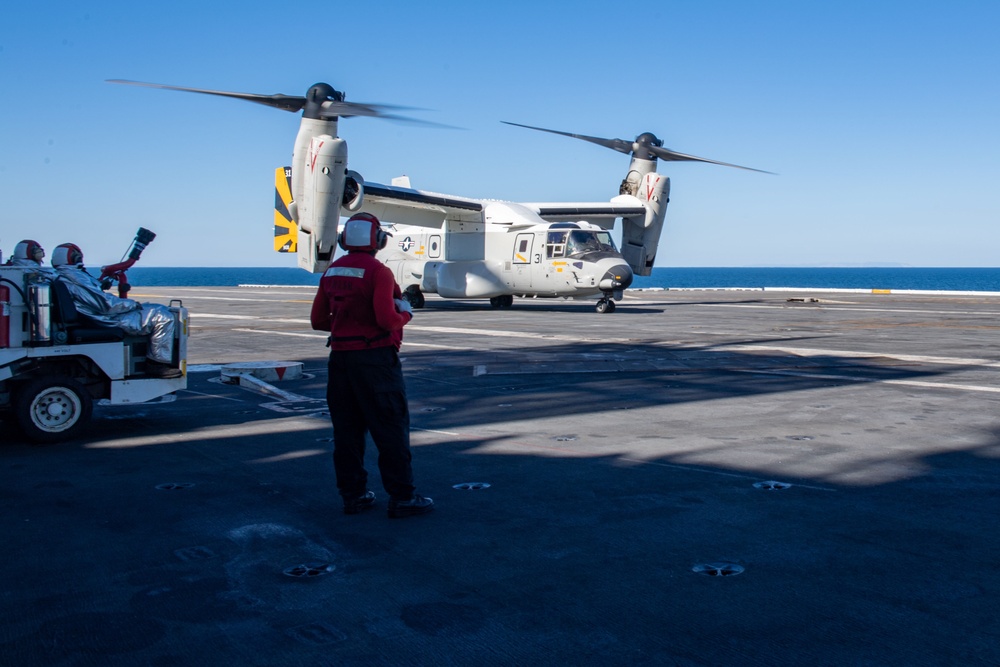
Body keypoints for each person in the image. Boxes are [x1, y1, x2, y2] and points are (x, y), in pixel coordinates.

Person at [310, 212, 433, 518]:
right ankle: (402, 497)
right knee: (390, 429)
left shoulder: (331, 273)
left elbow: (316, 321)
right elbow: (386, 320)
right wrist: (406, 314)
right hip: (376, 361)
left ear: (343, 241)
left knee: (347, 432)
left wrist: (346, 324)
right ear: (378, 241)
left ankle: (353, 496)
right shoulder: (379, 273)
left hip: (340, 360)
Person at [51, 242, 182, 379]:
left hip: (92, 316)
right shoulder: (75, 277)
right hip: (103, 318)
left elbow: (90, 296)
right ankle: (156, 364)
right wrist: (131, 304)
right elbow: (105, 305)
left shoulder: (64, 275)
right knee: (162, 315)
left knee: (155, 309)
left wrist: (100, 285)